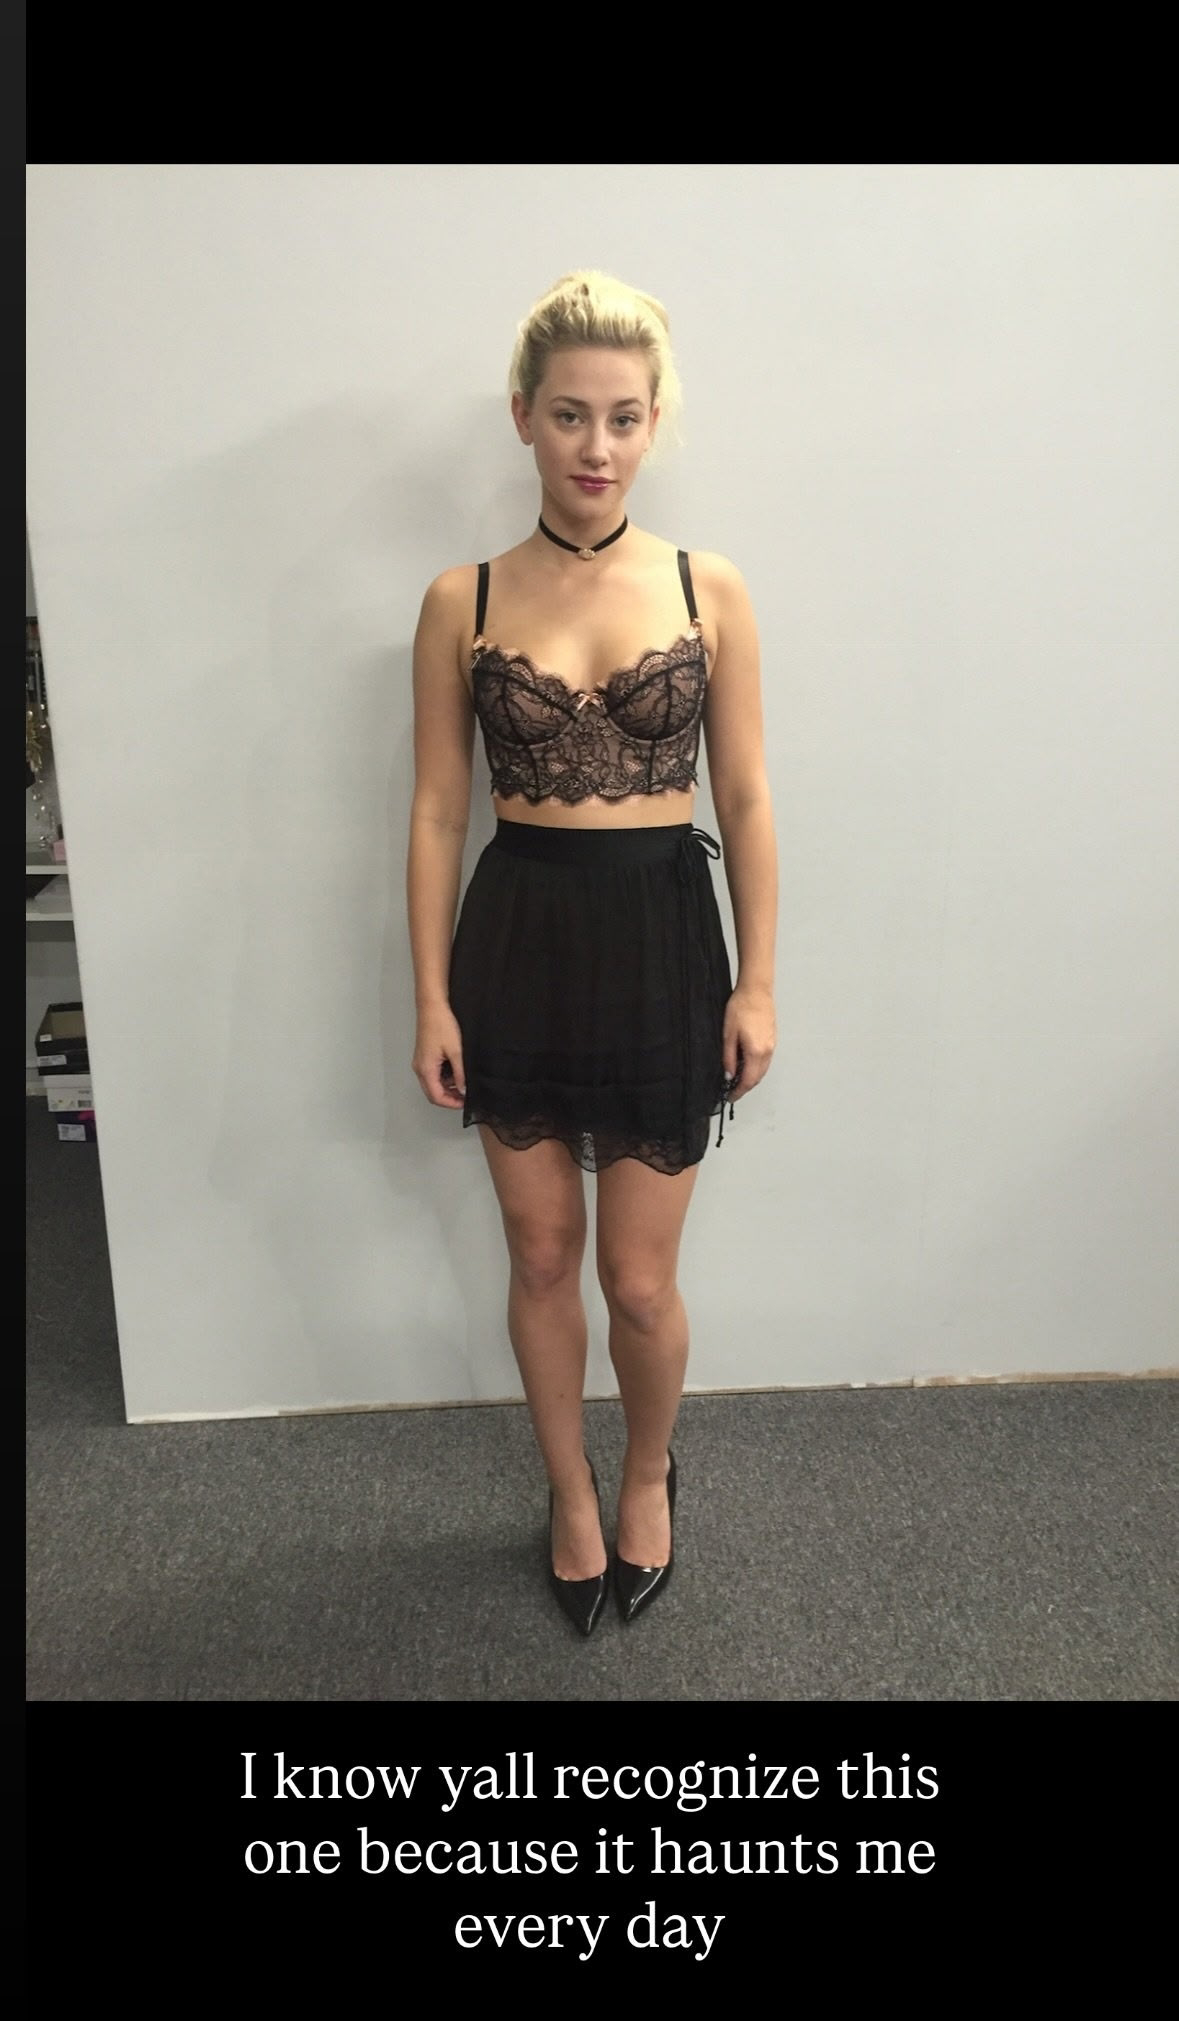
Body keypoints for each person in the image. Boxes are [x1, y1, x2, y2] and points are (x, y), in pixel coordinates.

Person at [408, 270, 777, 1635]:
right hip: (517, 938)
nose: (596, 445)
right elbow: (437, 811)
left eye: (623, 417)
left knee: (638, 1278)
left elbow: (746, 799)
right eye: (569, 414)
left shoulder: (705, 586)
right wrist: (431, 997)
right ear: (524, 415)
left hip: (661, 940)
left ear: (654, 421)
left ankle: (646, 1475)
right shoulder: (459, 598)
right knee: (540, 1253)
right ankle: (569, 1493)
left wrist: (758, 980)